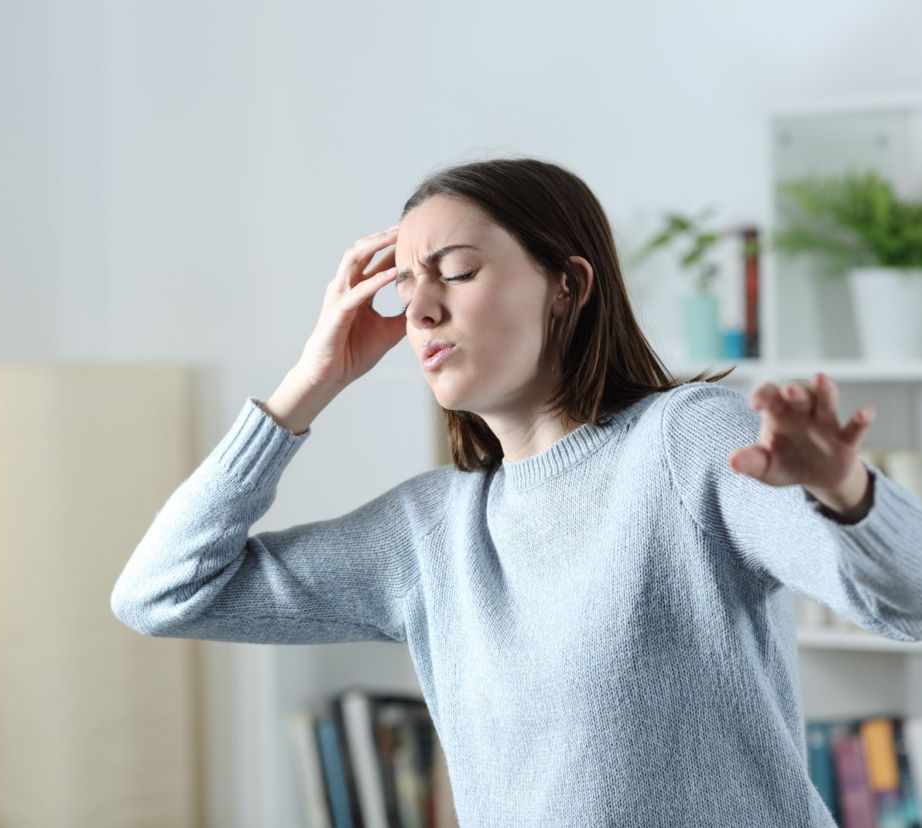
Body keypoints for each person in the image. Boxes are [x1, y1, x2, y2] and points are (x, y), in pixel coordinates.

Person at [110, 157, 922, 826]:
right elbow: (162, 593)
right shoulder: (429, 533)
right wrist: (307, 383)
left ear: (567, 285)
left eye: (456, 272)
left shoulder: (684, 441)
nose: (419, 306)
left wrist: (845, 491)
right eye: (402, 285)